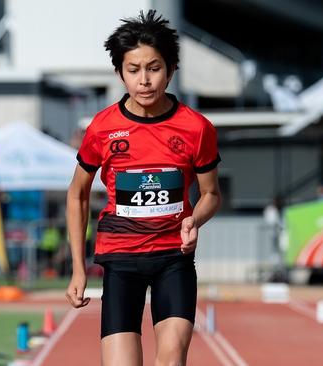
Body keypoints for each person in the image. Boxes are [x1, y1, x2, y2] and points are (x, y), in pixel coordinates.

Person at [65, 10, 221, 365]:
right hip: (121, 261)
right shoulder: (103, 128)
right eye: (133, 70)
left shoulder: (196, 129)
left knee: (170, 361)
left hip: (173, 259)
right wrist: (78, 267)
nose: (144, 80)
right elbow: (77, 194)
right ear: (120, 72)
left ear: (171, 70)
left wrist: (194, 221)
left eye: (154, 68)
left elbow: (211, 194)